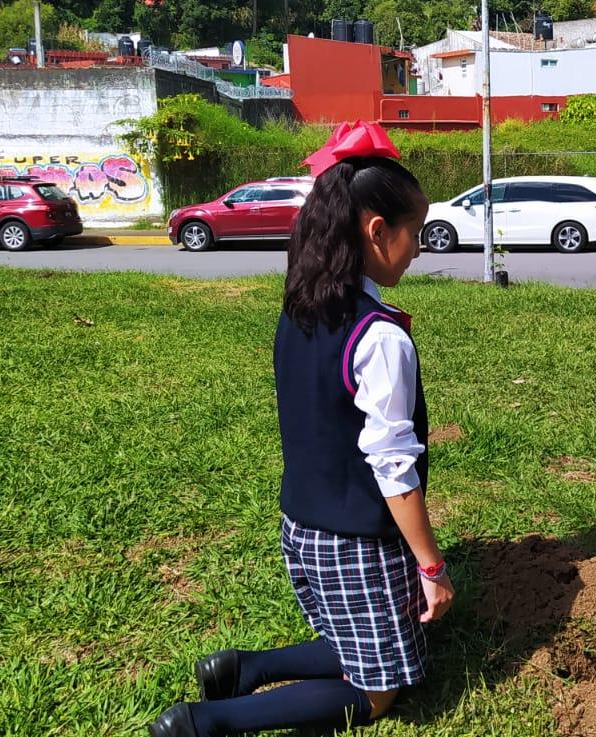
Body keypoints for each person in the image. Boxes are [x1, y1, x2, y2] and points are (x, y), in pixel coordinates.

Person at [148, 121, 449, 737]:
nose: (417, 248)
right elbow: (393, 468)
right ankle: (207, 722)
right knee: (380, 689)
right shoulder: (382, 337)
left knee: (368, 641)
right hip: (353, 544)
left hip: (299, 527)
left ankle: (242, 668)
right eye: (413, 233)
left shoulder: (302, 307)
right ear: (376, 231)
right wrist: (431, 567)